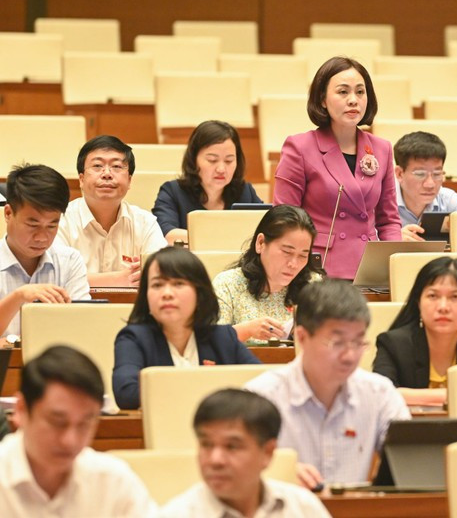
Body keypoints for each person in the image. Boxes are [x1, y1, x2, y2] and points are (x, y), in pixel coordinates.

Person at [244, 279, 410, 490]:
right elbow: (236, 473)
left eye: (358, 342)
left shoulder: (379, 393)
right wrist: (277, 473)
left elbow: (410, 461)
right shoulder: (261, 396)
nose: (350, 356)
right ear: (302, 337)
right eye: (337, 343)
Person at [273, 56, 401, 280]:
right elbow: (284, 219)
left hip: (370, 271)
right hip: (318, 270)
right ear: (323, 99)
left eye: (360, 92)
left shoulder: (382, 149)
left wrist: (396, 265)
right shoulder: (300, 147)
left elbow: (388, 220)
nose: (353, 100)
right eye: (343, 92)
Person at [0, 345, 153, 516]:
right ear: (21, 409)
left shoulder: (113, 482)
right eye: (57, 422)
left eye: (84, 425)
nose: (70, 441)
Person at [112, 246, 261, 409]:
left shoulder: (222, 337)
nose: (167, 293)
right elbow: (126, 394)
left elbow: (264, 383)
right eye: (157, 285)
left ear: (199, 293)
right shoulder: (134, 339)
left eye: (178, 283)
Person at [159, 389, 330, 518]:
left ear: (267, 452)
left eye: (232, 447)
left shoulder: (303, 507)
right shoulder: (176, 514)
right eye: (206, 445)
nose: (215, 460)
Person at [373, 257, 457, 406]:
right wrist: (453, 395)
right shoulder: (394, 344)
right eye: (433, 296)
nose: (443, 307)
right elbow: (381, 393)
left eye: (455, 297)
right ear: (418, 302)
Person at [56, 135, 167, 288]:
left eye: (116, 166)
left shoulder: (145, 222)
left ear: (129, 180)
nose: (107, 174)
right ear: (81, 179)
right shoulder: (61, 220)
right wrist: (120, 279)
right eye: (97, 166)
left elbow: (162, 274)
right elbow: (55, 278)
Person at [0, 164, 90, 338]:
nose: (42, 237)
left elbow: (81, 326)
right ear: (8, 213)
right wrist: (19, 297)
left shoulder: (69, 261)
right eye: (32, 225)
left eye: (51, 226)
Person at [213, 205, 323, 342]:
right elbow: (209, 342)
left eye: (303, 255)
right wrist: (247, 330)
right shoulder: (228, 284)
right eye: (287, 252)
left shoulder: (313, 285)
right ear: (260, 243)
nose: (294, 264)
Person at [152, 120, 263, 245]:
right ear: (194, 159)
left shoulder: (245, 192)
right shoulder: (172, 192)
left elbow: (268, 229)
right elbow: (166, 235)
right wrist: (228, 239)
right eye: (212, 160)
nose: (221, 169)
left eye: (229, 161)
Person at [393, 131, 457, 241]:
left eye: (437, 174)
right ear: (400, 174)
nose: (430, 184)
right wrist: (390, 239)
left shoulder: (448, 199)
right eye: (420, 174)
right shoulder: (378, 202)